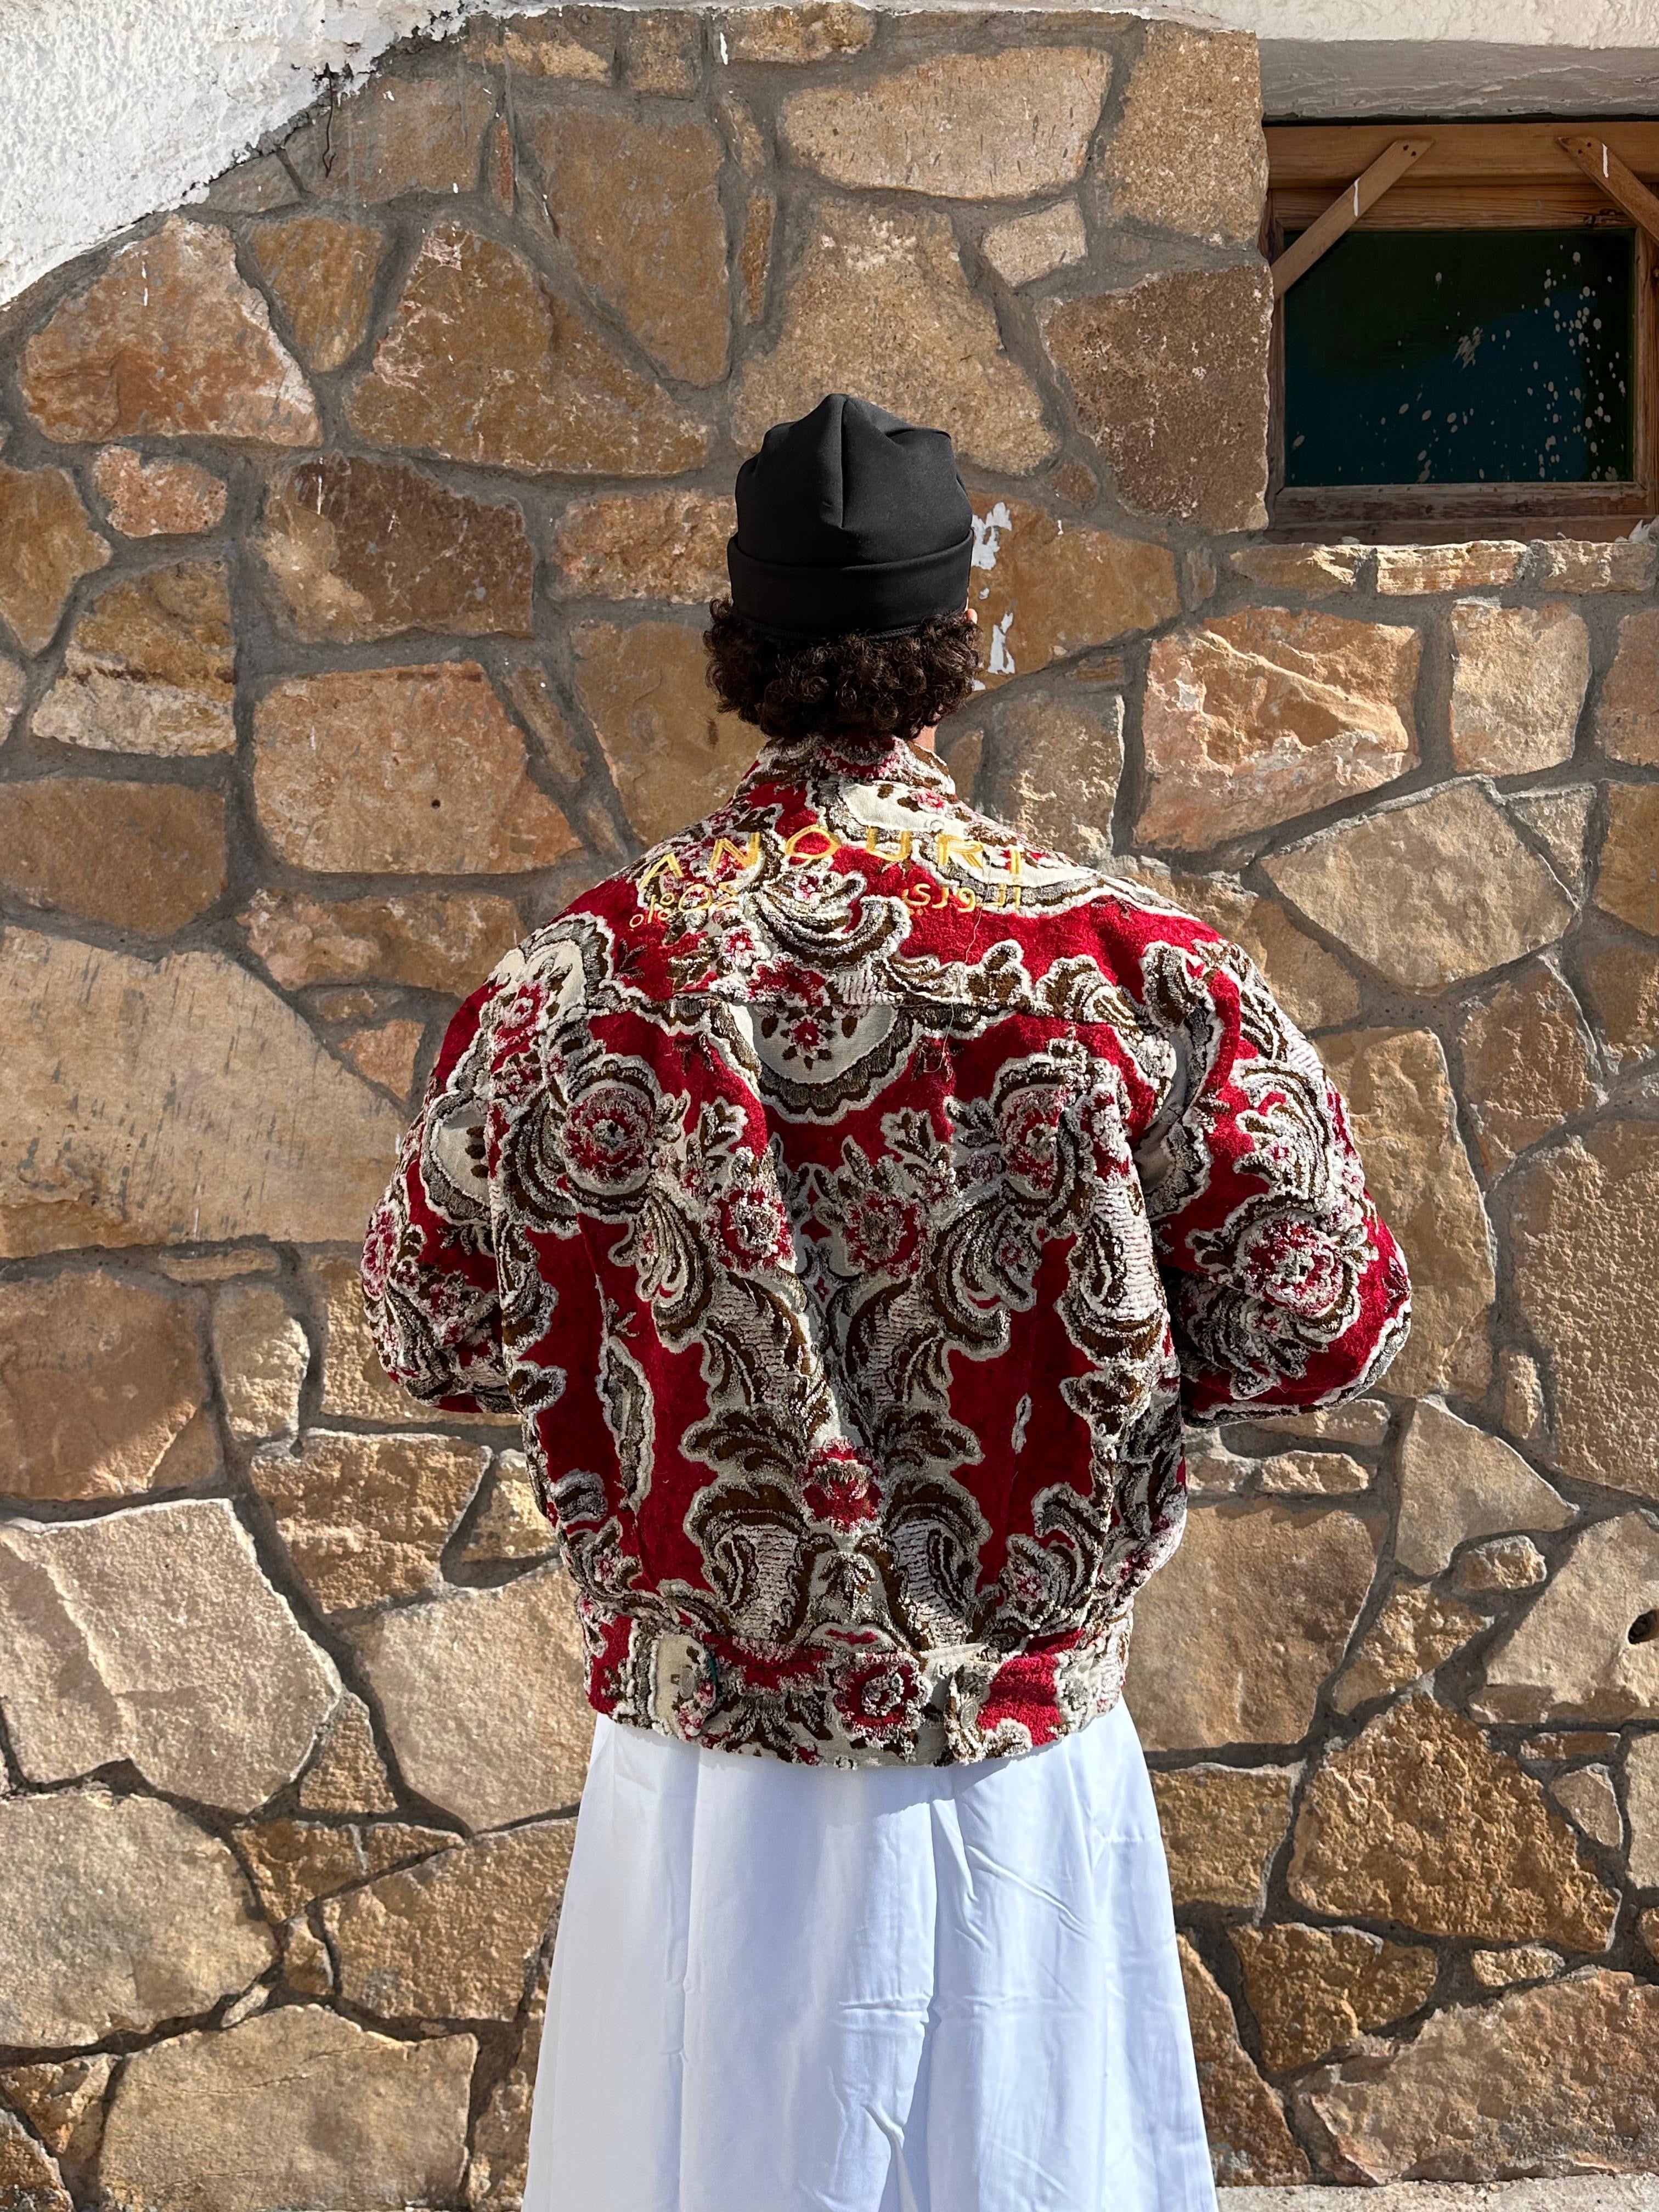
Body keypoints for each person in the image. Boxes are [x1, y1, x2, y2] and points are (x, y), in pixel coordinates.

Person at [363, 392, 1411, 2212]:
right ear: (956, 642)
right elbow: (1323, 1315)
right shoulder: (1127, 967)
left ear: (740, 646)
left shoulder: (580, 978)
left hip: (707, 1781)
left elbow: (428, 1326)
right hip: (1015, 1765)